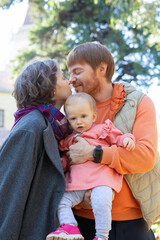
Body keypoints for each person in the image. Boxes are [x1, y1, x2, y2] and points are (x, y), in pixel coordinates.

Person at [65, 42, 160, 240]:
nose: (70, 80)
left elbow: (145, 157)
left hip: (132, 224)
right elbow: (64, 160)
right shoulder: (72, 111)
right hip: (83, 222)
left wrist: (95, 153)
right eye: (69, 73)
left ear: (101, 68)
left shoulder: (139, 103)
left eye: (77, 72)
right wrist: (82, 198)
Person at [46, 92, 135, 240]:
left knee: (101, 202)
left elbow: (118, 138)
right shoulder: (69, 140)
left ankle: (101, 236)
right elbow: (68, 159)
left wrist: (127, 139)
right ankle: (69, 227)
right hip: (78, 184)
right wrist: (61, 164)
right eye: (73, 118)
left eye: (83, 116)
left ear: (93, 116)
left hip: (101, 180)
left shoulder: (102, 129)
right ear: (68, 120)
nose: (79, 122)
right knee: (61, 201)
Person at [0, 59, 72, 240]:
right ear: (51, 88)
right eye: (63, 77)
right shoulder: (31, 126)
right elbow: (10, 195)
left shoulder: (54, 125)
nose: (69, 80)